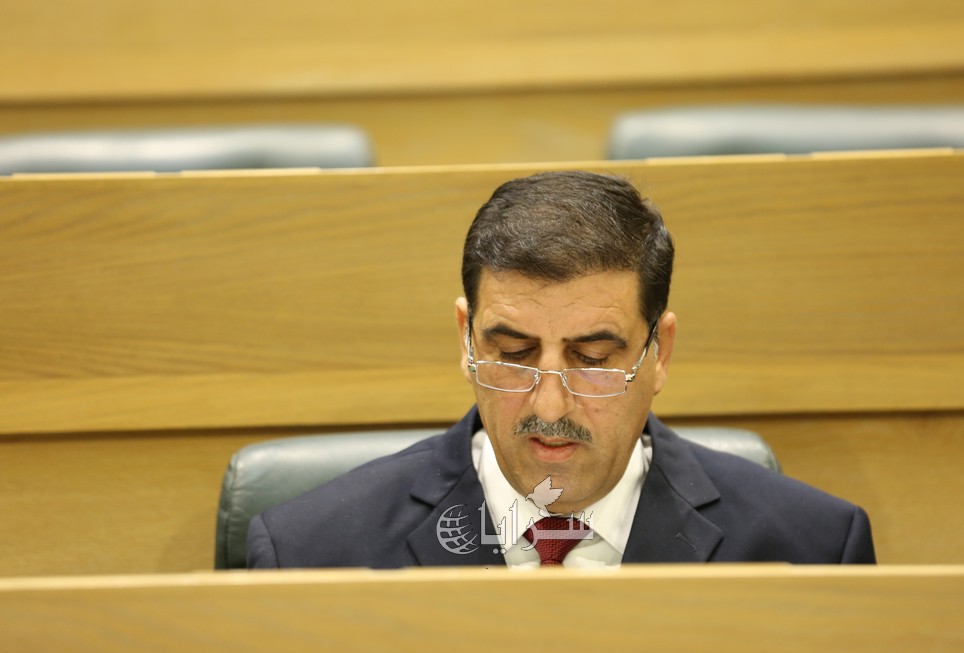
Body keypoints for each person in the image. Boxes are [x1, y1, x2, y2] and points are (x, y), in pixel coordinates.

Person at [247, 170, 875, 569]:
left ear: (660, 353)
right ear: (466, 338)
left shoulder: (813, 549)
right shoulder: (310, 553)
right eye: (513, 354)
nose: (549, 406)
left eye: (593, 360)